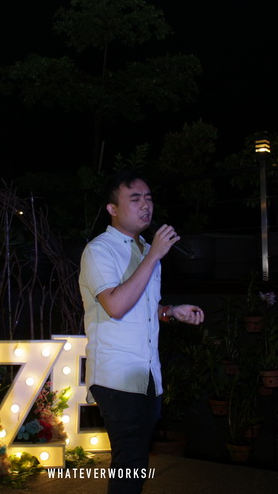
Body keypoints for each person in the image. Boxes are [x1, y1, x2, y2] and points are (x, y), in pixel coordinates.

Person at [79, 170, 204, 494]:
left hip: (148, 374)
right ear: (113, 209)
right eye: (135, 199)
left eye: (148, 198)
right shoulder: (99, 250)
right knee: (130, 464)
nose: (145, 205)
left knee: (135, 466)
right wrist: (153, 256)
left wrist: (169, 312)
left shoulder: (147, 248)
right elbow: (115, 305)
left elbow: (141, 306)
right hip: (116, 376)